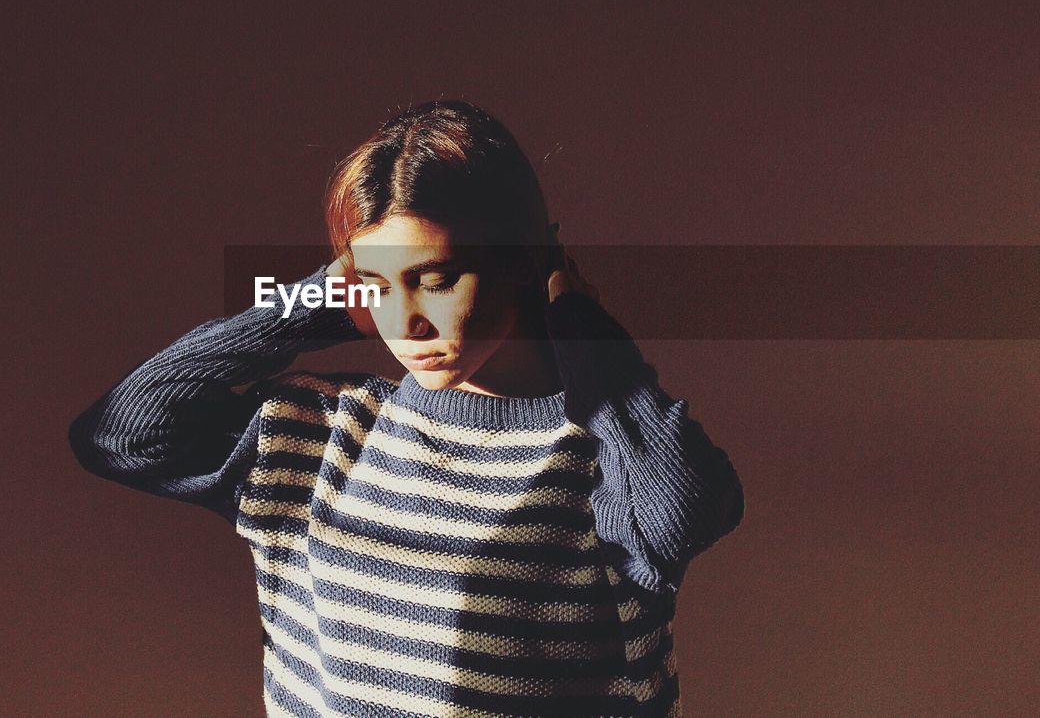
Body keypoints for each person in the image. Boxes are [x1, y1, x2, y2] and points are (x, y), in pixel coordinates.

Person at [68, 99, 745, 717]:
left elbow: (687, 507)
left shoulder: (605, 456)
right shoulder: (315, 434)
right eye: (375, 287)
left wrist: (579, 323)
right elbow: (120, 433)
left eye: (437, 279)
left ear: (523, 258)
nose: (406, 323)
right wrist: (318, 298)